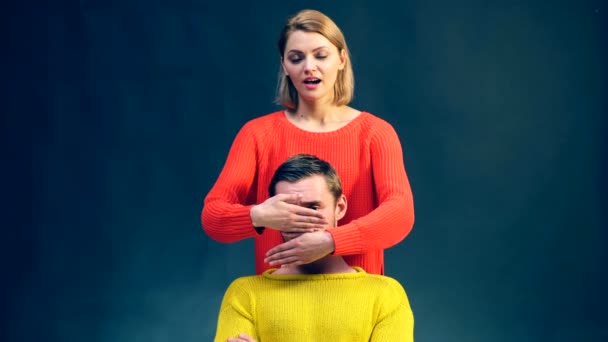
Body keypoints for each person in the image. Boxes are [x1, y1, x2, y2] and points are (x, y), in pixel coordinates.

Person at [202, 9, 415, 275]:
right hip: (279, 302)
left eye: (321, 55)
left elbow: (400, 214)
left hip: (358, 301)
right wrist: (258, 215)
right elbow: (213, 217)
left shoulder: (375, 134)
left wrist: (331, 241)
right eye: (296, 58)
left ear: (341, 59)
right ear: (284, 66)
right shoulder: (257, 135)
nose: (309, 67)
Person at [214, 154, 414, 342]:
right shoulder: (244, 295)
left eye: (313, 207)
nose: (300, 220)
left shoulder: (386, 296)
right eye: (288, 208)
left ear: (340, 207)